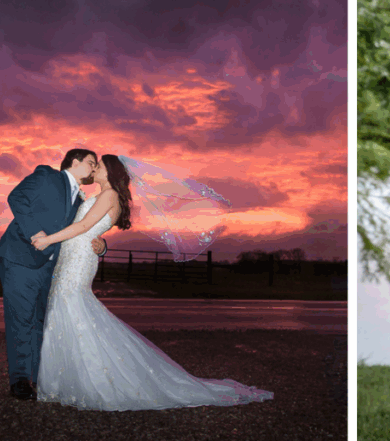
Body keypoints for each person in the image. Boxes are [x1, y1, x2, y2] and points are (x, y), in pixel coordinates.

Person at [31, 154, 273, 410]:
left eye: (98, 165)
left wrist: (48, 240)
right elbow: (88, 228)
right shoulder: (102, 196)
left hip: (79, 258)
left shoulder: (110, 196)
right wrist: (96, 244)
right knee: (64, 308)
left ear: (110, 172)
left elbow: (83, 227)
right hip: (73, 255)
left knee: (73, 307)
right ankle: (66, 380)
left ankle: (91, 381)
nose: (94, 169)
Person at [0, 149, 107, 401]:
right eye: (91, 162)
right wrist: (35, 233)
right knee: (21, 320)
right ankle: (20, 380)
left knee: (42, 321)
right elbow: (17, 197)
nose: (94, 168)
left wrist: (102, 246)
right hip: (21, 258)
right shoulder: (47, 176)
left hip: (51, 267)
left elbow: (82, 229)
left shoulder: (80, 199)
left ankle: (39, 376)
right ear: (75, 162)